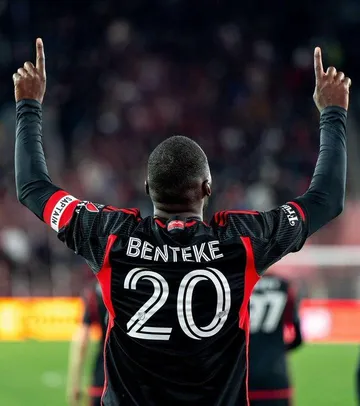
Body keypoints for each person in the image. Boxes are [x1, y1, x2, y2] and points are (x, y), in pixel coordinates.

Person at [12, 38, 350, 406]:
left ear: (147, 187)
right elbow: (326, 199)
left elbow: (32, 186)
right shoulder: (243, 242)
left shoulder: (110, 237)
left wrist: (28, 106)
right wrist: (333, 113)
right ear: (207, 188)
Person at [249, 272, 303, 406]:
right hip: (275, 375)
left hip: (243, 376)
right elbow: (298, 338)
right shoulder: (284, 285)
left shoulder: (238, 281)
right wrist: (277, 349)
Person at [67, 282, 107, 406]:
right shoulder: (134, 287)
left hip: (104, 370)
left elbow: (81, 342)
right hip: (136, 371)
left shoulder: (94, 294)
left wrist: (74, 383)